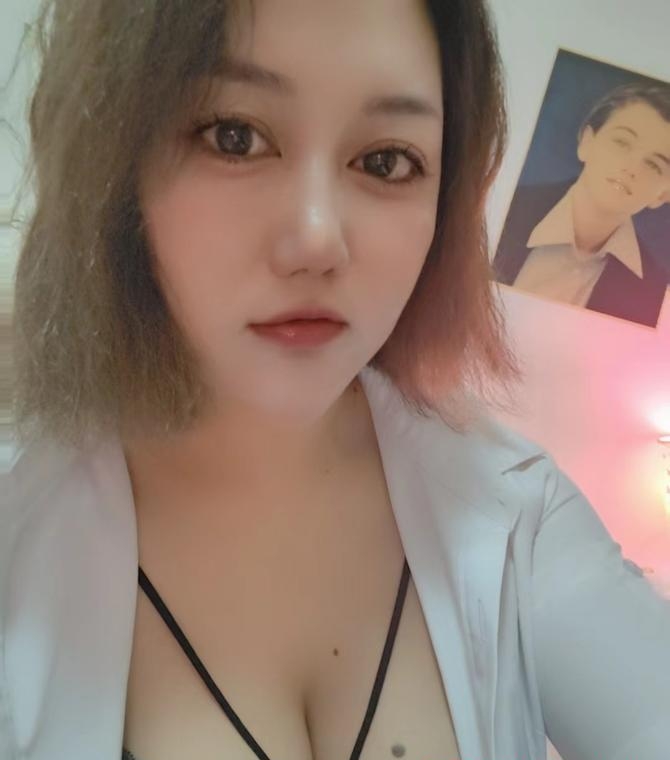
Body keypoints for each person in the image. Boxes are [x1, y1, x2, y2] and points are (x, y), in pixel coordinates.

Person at [2, 2, 669, 760]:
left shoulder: (519, 514)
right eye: (234, 136)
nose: (317, 240)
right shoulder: (19, 531)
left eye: (386, 162)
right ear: (119, 166)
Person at [493, 82, 670, 328]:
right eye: (622, 142)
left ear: (663, 195)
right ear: (586, 142)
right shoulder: (499, 210)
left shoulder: (655, 290)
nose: (631, 168)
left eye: (653, 165)